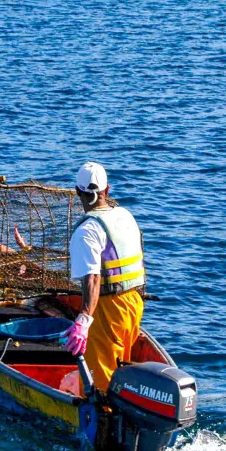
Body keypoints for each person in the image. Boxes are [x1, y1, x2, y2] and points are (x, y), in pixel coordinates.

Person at [60, 162, 145, 393]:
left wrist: (84, 320)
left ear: (78, 192)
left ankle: (102, 422)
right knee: (121, 365)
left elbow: (93, 279)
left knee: (101, 377)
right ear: (108, 190)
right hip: (133, 304)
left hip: (108, 310)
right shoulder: (125, 216)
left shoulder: (87, 231)